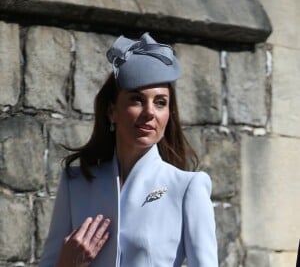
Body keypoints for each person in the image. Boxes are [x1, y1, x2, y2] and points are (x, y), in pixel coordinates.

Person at [39, 33, 218, 267]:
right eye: (136, 100)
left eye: (160, 102)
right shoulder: (76, 183)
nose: (150, 112)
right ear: (112, 111)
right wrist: (66, 264)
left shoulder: (187, 187)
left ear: (168, 115)